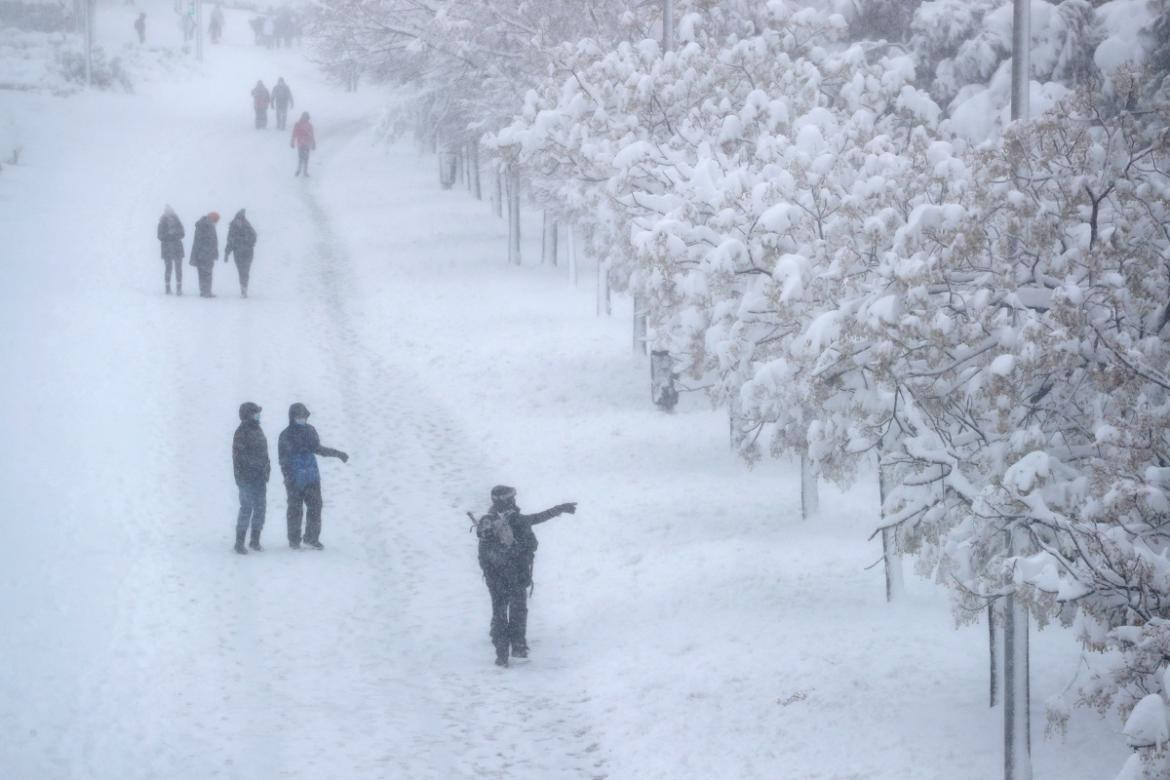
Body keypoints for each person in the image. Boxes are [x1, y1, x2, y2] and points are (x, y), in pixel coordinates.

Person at [475, 486, 577, 667]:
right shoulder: (517, 519)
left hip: (494, 578)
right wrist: (560, 509)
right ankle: (518, 646)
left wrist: (489, 572)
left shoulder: (488, 522)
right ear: (508, 500)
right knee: (518, 611)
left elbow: (482, 553)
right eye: (513, 497)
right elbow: (539, 519)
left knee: (498, 610)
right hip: (515, 575)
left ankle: (501, 653)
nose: (515, 500)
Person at [278, 403, 348, 550]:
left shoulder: (310, 430)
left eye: (304, 416)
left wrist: (338, 454)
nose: (302, 419)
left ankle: (311, 538)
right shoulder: (285, 435)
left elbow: (318, 449)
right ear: (292, 417)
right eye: (299, 416)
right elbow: (283, 460)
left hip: (311, 477)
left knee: (316, 507)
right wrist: (288, 477)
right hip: (294, 479)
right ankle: (294, 540)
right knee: (295, 510)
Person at [232, 402, 270, 554]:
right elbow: (240, 457)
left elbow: (264, 453)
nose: (258, 415)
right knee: (246, 508)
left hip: (260, 477)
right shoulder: (241, 432)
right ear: (248, 415)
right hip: (246, 478)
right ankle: (239, 542)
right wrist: (255, 466)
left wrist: (267, 468)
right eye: (255, 413)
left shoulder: (258, 429)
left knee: (260, 508)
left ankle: (255, 540)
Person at [224, 209, 257, 298]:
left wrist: (247, 242)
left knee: (245, 271)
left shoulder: (248, 227)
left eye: (241, 219)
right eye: (238, 219)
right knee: (241, 271)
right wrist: (227, 253)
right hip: (238, 253)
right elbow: (230, 242)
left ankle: (244, 289)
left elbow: (254, 238)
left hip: (247, 253)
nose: (239, 221)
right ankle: (243, 288)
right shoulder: (233, 228)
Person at [189, 211, 220, 297]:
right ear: (212, 219)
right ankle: (206, 292)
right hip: (205, 254)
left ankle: (204, 291)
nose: (216, 223)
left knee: (202, 273)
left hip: (202, 253)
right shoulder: (207, 226)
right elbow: (208, 241)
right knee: (207, 273)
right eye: (215, 221)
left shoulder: (203, 225)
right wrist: (209, 252)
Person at [156, 205, 184, 295]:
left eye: (170, 211)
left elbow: (183, 233)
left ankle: (178, 289)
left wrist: (174, 234)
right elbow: (160, 236)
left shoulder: (177, 221)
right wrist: (169, 235)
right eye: (167, 211)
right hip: (167, 248)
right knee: (168, 268)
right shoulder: (161, 222)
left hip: (176, 248)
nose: (169, 213)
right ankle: (167, 288)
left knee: (178, 269)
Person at [291, 112, 315, 177]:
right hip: (305, 143)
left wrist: (292, 142)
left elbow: (294, 134)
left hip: (301, 143)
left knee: (302, 157)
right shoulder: (309, 126)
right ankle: (304, 171)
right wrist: (313, 143)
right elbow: (312, 135)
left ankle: (300, 170)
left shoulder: (298, 124)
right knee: (305, 157)